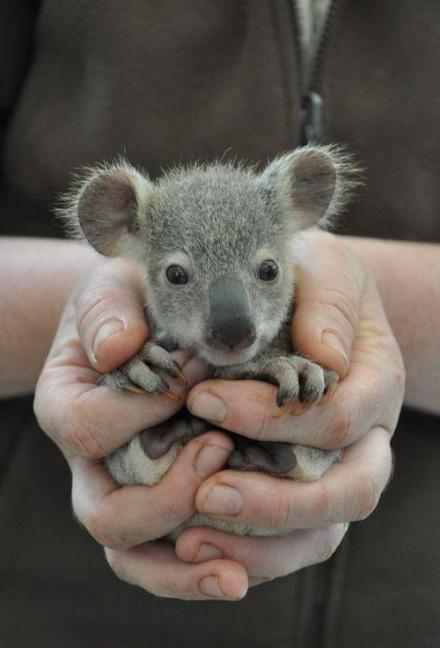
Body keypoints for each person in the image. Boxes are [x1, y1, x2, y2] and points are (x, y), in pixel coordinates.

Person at [1, 2, 439, 647]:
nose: (231, 324)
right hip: (64, 602)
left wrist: (349, 321)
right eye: (177, 276)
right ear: (115, 227)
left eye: (268, 273)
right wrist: (102, 335)